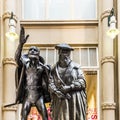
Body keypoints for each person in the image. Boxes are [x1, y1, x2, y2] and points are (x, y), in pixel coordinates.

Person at [15, 27, 50, 120]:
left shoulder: (43, 68)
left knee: (45, 117)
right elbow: (16, 59)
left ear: (38, 54)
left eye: (35, 50)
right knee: (23, 117)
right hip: (28, 95)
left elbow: (49, 82)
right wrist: (21, 44)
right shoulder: (25, 65)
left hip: (39, 96)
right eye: (31, 49)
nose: (32, 51)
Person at [49, 43, 87, 120]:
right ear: (59, 52)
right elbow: (50, 84)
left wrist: (70, 87)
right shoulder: (53, 69)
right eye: (63, 51)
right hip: (59, 100)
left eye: (67, 52)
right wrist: (57, 92)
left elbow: (82, 82)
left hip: (74, 99)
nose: (66, 55)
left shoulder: (76, 67)